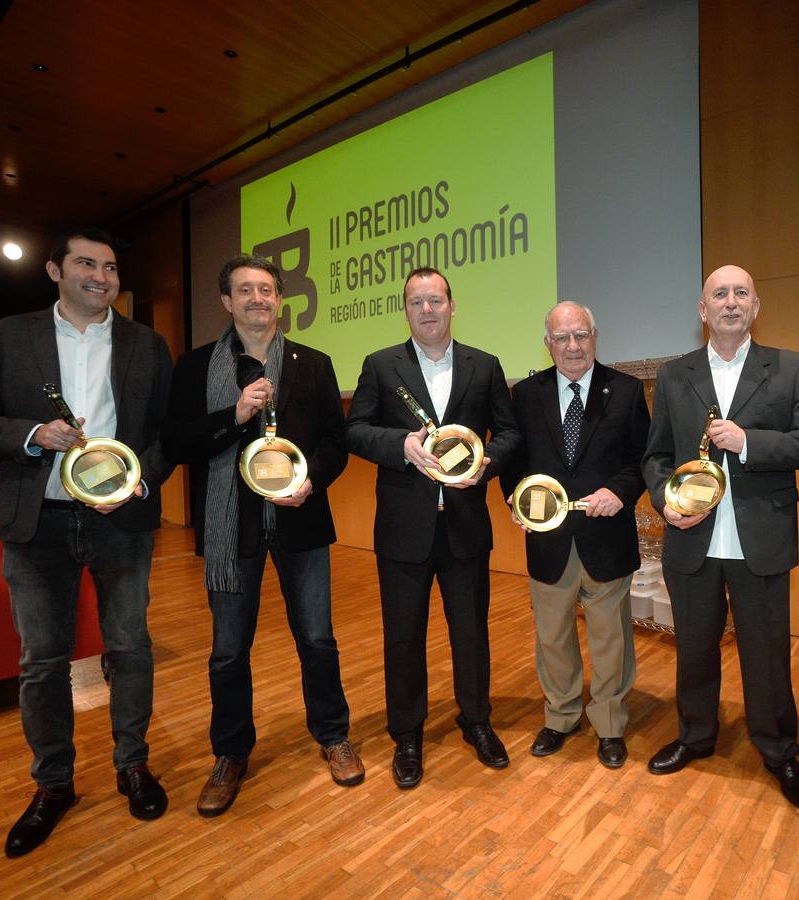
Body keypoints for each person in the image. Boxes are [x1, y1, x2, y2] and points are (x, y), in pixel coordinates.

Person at [0, 228, 173, 858]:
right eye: (85, 263)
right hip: (38, 521)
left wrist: (137, 482)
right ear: (54, 270)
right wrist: (30, 434)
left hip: (119, 520)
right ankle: (53, 785)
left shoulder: (145, 345)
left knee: (130, 648)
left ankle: (132, 764)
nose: (100, 276)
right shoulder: (6, 336)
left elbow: (163, 435)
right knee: (42, 661)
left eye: (109, 266)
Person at [161, 255, 361, 816]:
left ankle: (333, 736)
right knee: (228, 652)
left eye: (266, 290)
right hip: (233, 531)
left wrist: (310, 481)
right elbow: (178, 444)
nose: (257, 299)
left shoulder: (313, 363)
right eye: (244, 290)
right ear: (226, 301)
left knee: (318, 640)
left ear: (279, 299)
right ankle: (230, 754)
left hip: (300, 521)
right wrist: (236, 413)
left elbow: (334, 441)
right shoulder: (196, 366)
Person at [641, 265, 799, 809]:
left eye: (740, 293)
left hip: (760, 539)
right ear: (702, 310)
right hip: (691, 541)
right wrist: (665, 502)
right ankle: (696, 737)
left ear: (755, 306)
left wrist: (749, 442)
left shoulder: (790, 367)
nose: (729, 302)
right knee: (694, 650)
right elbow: (654, 456)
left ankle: (778, 750)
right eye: (718, 294)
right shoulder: (675, 375)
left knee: (766, 654)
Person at [344, 266, 520, 789]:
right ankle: (408, 734)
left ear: (452, 305)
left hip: (465, 525)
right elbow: (354, 430)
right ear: (406, 309)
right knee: (403, 638)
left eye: (435, 300)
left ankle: (477, 720)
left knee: (471, 633)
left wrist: (485, 462)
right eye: (416, 301)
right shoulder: (381, 365)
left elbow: (510, 432)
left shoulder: (484, 366)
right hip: (404, 529)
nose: (427, 310)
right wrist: (400, 447)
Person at [500, 301, 649, 768]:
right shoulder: (525, 394)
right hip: (548, 540)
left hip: (607, 535)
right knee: (553, 637)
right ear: (547, 343)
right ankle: (561, 716)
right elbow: (513, 461)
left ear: (595, 336)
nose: (572, 346)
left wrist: (619, 492)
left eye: (580, 335)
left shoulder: (624, 391)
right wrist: (514, 499)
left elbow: (642, 459)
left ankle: (608, 723)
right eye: (561, 337)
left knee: (610, 639)